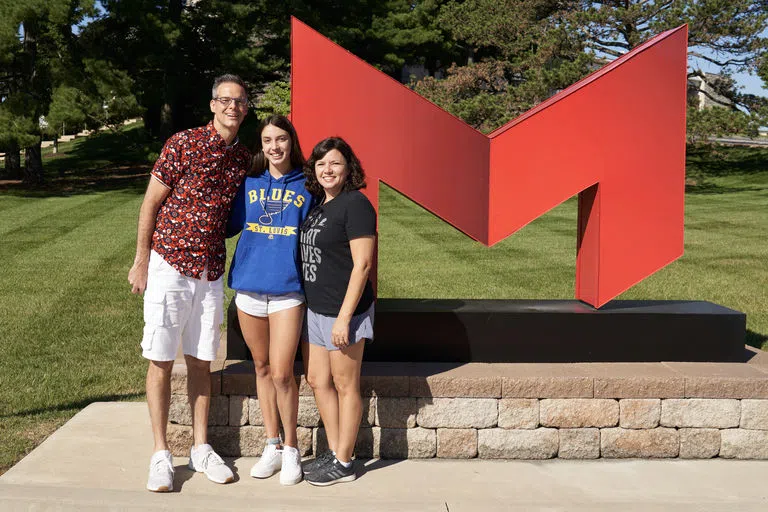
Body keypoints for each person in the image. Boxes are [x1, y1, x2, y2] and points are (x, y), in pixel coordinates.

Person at [128, 74, 251, 492]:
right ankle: (161, 454)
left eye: (240, 102)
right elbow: (150, 202)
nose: (232, 107)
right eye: (225, 100)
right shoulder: (182, 143)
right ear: (213, 105)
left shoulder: (242, 157)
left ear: (245, 110)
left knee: (202, 360)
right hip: (169, 264)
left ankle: (200, 448)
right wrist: (142, 261)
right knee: (161, 359)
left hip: (210, 272)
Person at [226, 115, 313, 485]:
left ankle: (292, 450)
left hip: (288, 290)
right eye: (267, 140)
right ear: (260, 145)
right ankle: (271, 444)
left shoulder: (308, 186)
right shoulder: (248, 184)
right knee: (260, 367)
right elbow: (226, 224)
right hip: (248, 287)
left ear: (291, 142)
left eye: (281, 139)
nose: (274, 147)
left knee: (282, 372)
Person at [299, 137, 376, 486]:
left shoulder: (356, 205)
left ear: (348, 168)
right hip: (317, 309)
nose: (327, 170)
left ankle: (345, 463)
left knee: (346, 385)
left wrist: (344, 318)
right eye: (321, 164)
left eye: (335, 163)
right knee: (317, 380)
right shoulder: (319, 205)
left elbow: (362, 265)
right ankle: (335, 449)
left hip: (343, 312)